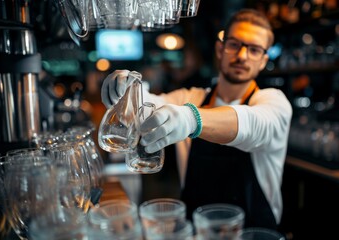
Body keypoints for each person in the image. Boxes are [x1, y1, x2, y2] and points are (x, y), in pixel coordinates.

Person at [101, 8, 292, 230]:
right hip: (196, 231)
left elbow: (255, 125)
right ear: (220, 49)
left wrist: (193, 119)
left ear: (263, 60)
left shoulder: (274, 102)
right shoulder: (190, 98)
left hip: (254, 233)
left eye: (254, 49)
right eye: (234, 45)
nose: (242, 56)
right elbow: (145, 105)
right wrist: (124, 88)